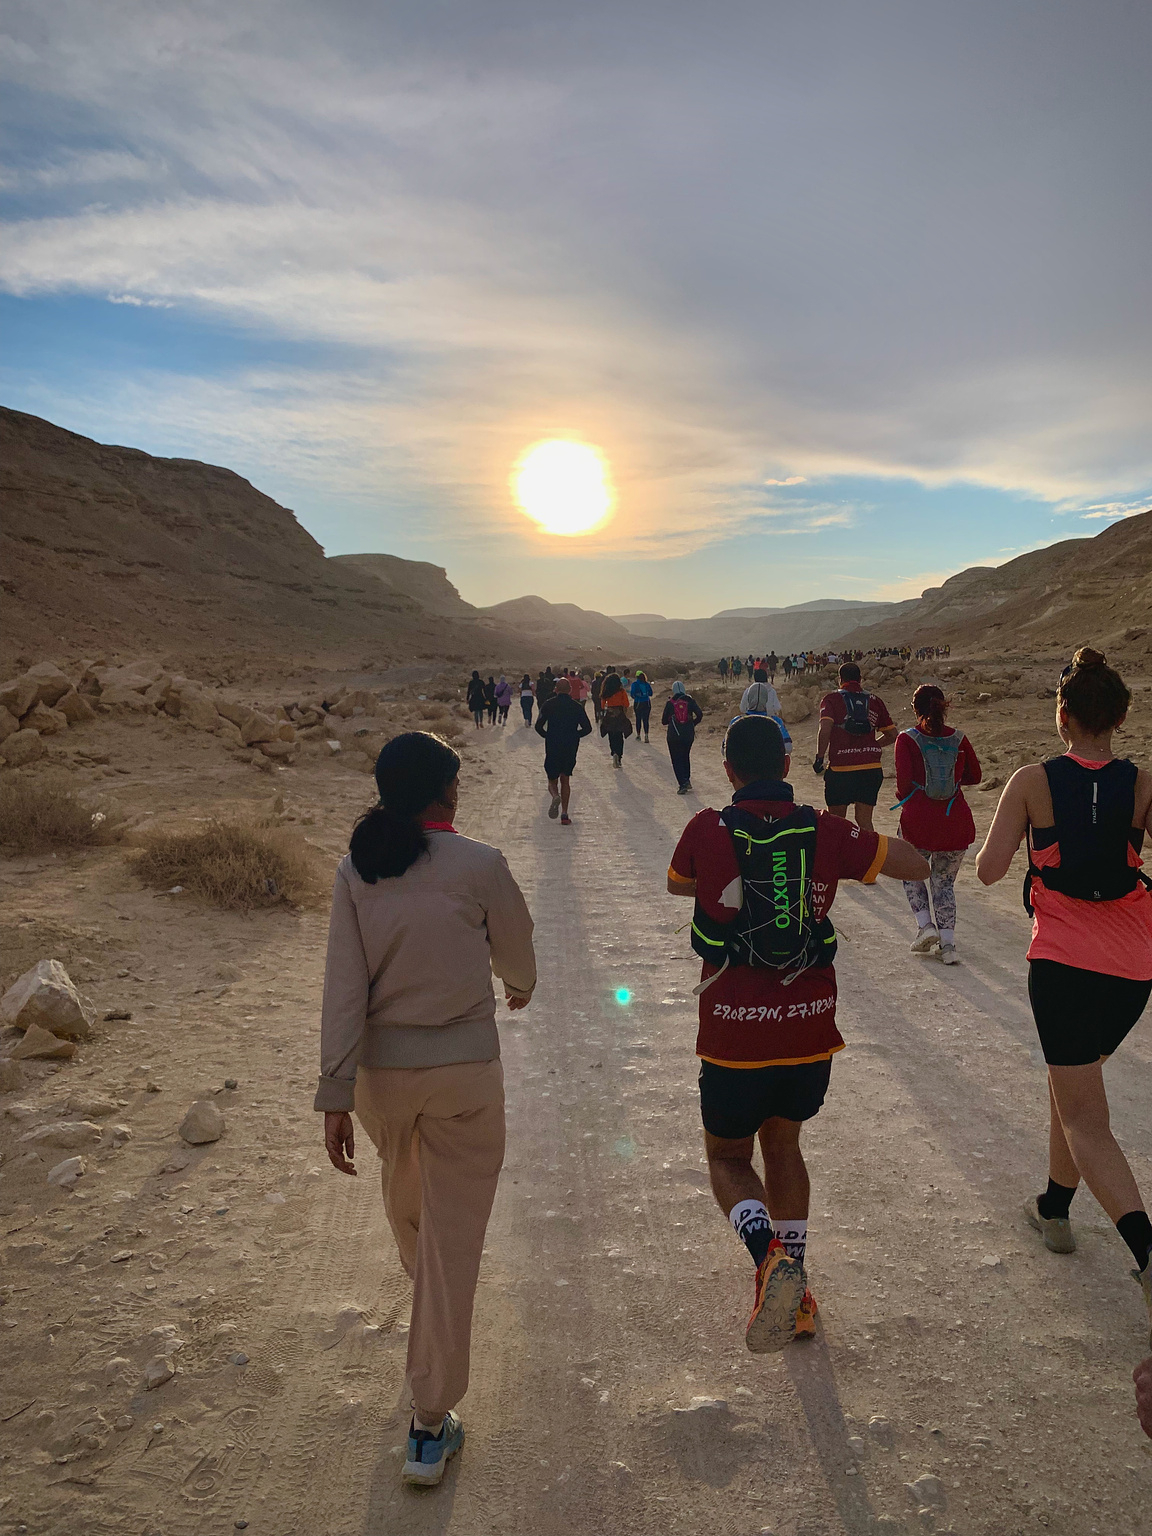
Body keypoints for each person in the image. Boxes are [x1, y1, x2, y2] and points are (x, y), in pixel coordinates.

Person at [666, 715, 928, 1351]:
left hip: (732, 1032)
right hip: (808, 1031)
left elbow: (680, 886)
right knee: (784, 1147)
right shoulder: (823, 828)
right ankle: (799, 1292)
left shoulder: (706, 827)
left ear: (727, 769)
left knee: (729, 1158)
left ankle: (770, 1261)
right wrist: (852, 838)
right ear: (786, 768)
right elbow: (916, 865)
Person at [316, 732, 536, 1486]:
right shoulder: (480, 864)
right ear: (443, 792)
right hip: (464, 1078)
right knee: (450, 1241)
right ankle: (429, 1422)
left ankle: (434, 1313)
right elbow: (518, 950)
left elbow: (344, 988)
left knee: (411, 1210)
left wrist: (335, 1094)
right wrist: (521, 983)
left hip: (384, 1083)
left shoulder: (357, 869)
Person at [975, 649, 1152, 1343]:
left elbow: (988, 873)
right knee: (1073, 1083)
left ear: (1062, 717)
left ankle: (1146, 1254)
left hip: (1065, 966)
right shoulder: (1142, 781)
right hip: (1135, 968)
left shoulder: (1031, 780)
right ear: (1120, 718)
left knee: (1086, 1117)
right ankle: (1054, 1210)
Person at [893, 685, 982, 964]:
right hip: (955, 821)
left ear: (915, 709)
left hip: (917, 822)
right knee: (944, 884)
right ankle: (948, 945)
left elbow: (902, 786)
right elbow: (976, 776)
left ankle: (925, 926)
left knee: (910, 872)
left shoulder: (907, 740)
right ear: (943, 707)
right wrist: (952, 785)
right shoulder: (959, 738)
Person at [814, 662, 897, 832]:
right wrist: (873, 745)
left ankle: (839, 857)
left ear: (840, 679)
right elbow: (893, 735)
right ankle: (868, 856)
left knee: (837, 822)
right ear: (860, 679)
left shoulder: (831, 699)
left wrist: (819, 757)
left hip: (841, 770)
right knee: (865, 821)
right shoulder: (874, 700)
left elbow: (825, 730)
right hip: (871, 769)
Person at [535, 676, 592, 824]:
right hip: (570, 745)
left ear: (556, 690)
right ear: (570, 690)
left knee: (552, 779)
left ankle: (555, 796)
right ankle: (565, 814)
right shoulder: (576, 706)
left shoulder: (548, 704)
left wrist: (547, 736)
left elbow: (538, 726)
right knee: (565, 779)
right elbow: (587, 728)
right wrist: (576, 736)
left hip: (553, 743)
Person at [661, 680, 704, 793]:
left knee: (676, 759)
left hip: (673, 735)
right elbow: (700, 714)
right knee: (685, 756)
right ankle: (687, 779)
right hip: (688, 734)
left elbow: (663, 721)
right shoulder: (690, 701)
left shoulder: (670, 703)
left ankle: (682, 784)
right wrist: (692, 724)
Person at [599, 672, 633, 767]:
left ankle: (613, 752)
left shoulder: (606, 692)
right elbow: (626, 704)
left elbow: (602, 705)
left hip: (609, 715)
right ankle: (619, 755)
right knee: (619, 736)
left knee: (611, 735)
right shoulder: (621, 691)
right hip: (619, 715)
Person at [631, 670, 654, 742]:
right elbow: (651, 693)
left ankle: (638, 735)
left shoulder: (634, 684)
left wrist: (637, 697)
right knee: (645, 720)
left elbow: (632, 694)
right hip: (646, 703)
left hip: (638, 703)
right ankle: (646, 736)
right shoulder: (647, 684)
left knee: (638, 719)